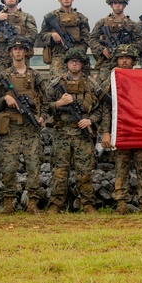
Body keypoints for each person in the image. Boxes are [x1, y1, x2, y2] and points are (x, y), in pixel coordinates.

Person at [0, 37, 48, 214]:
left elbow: (46, 99)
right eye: (14, 49)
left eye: (20, 49)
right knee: (8, 166)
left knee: (33, 165)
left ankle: (32, 202)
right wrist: (5, 99)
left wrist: (42, 117)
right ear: (10, 52)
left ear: (25, 52)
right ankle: (8, 202)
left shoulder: (35, 75)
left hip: (31, 127)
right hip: (11, 128)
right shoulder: (3, 76)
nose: (17, 51)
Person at [45, 48, 104, 214]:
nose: (75, 63)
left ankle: (87, 204)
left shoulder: (91, 84)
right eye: (72, 61)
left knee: (84, 170)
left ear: (83, 64)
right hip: (62, 132)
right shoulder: (56, 84)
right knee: (59, 171)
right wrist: (59, 103)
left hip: (82, 134)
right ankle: (56, 204)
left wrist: (90, 120)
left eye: (78, 61)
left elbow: (101, 108)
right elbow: (43, 105)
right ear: (66, 64)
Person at [100, 45, 142, 214]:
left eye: (128, 58)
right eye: (121, 58)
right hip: (120, 131)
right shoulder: (111, 78)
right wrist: (106, 132)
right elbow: (104, 104)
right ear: (115, 60)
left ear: (133, 61)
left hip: (141, 131)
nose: (124, 61)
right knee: (121, 168)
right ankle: (121, 203)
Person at [38, 0, 91, 76]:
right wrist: (52, 35)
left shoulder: (81, 18)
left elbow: (86, 38)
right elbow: (42, 35)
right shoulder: (51, 17)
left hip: (77, 57)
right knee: (57, 84)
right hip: (58, 56)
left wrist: (77, 52)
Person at [90, 0, 142, 75]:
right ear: (111, 5)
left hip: (125, 63)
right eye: (115, 3)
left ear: (124, 5)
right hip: (107, 62)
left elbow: (140, 41)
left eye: (120, 3)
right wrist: (102, 49)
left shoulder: (132, 24)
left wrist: (127, 51)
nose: (117, 5)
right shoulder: (102, 23)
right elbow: (92, 39)